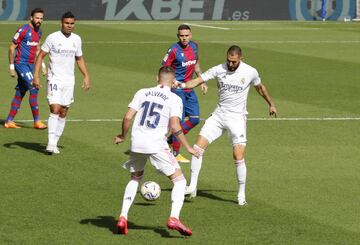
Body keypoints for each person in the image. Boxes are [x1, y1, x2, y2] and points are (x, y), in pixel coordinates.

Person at [175, 45, 278, 205]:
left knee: (238, 156)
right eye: (229, 61)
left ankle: (241, 194)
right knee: (197, 149)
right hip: (218, 115)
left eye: (234, 62)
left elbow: (260, 88)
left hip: (237, 118)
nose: (230, 64)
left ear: (240, 59)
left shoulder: (250, 71)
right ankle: (192, 186)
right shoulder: (219, 69)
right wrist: (180, 85)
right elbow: (196, 81)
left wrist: (271, 104)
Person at [114, 66, 199, 236]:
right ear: (173, 82)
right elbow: (175, 126)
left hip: (137, 142)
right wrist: (188, 147)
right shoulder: (174, 99)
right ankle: (174, 217)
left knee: (135, 177)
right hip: (156, 144)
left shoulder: (142, 92)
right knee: (180, 181)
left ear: (157, 78)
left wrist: (123, 136)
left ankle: (123, 216)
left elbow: (128, 117)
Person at [33, 11, 91, 154]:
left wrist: (86, 76)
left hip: (69, 80)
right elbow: (41, 56)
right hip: (55, 79)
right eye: (67, 23)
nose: (69, 26)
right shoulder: (52, 38)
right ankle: (51, 143)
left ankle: (55, 143)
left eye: (72, 24)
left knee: (64, 111)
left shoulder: (77, 39)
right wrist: (36, 75)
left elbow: (79, 58)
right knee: (55, 108)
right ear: (61, 23)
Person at [162, 24, 208, 163]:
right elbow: (164, 68)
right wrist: (173, 81)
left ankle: (171, 139)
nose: (184, 38)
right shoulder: (173, 50)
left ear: (191, 35)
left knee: (195, 119)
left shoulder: (194, 47)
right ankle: (175, 154)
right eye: (181, 35)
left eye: (186, 35)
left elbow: (196, 64)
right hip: (177, 90)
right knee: (179, 121)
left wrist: (202, 80)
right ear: (178, 36)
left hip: (189, 88)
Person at [4, 8, 47, 129]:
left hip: (31, 65)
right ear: (31, 17)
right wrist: (12, 66)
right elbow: (12, 47)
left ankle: (9, 121)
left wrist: (43, 65)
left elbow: (38, 48)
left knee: (21, 92)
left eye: (41, 18)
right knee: (34, 87)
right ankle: (37, 121)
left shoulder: (39, 31)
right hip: (21, 64)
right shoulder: (23, 30)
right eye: (37, 18)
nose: (39, 20)